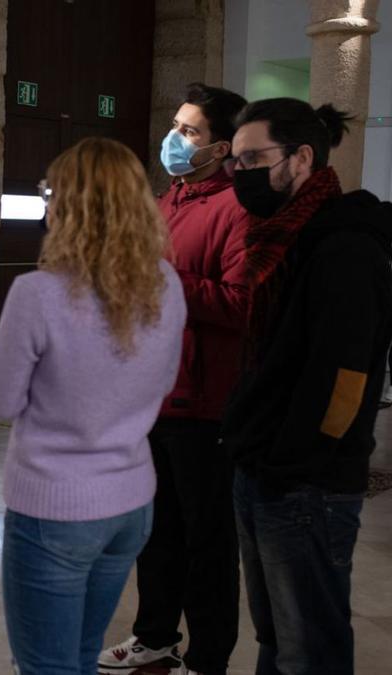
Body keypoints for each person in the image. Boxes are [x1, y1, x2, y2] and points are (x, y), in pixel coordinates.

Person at [0, 137, 186, 674]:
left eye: (52, 193)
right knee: (79, 656)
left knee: (48, 665)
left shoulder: (38, 293)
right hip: (131, 502)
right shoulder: (165, 283)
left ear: (70, 206)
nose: (47, 204)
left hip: (55, 505)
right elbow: (163, 382)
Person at [222, 98, 392, 674]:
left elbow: (345, 378)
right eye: (236, 162)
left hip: (305, 482)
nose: (241, 174)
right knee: (277, 634)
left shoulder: (345, 246)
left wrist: (295, 461)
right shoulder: (283, 238)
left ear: (301, 158)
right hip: (265, 468)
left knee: (308, 645)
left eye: (254, 159)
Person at [100, 83, 249, 675]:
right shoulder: (171, 199)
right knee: (155, 533)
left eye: (189, 131)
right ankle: (155, 636)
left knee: (208, 543)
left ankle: (208, 658)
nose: (174, 138)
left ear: (222, 147)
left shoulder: (237, 209)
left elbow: (241, 304)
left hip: (204, 404)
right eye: (175, 126)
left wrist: (160, 280)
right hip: (151, 397)